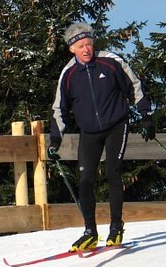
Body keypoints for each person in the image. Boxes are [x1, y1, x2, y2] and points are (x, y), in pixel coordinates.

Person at [48, 22, 155, 252]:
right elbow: (59, 109)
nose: (86, 49)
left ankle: (116, 228)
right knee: (85, 180)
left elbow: (135, 85)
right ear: (72, 49)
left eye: (88, 44)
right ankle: (90, 232)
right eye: (80, 46)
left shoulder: (110, 61)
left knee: (112, 172)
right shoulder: (68, 74)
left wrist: (146, 116)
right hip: (89, 132)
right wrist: (55, 142)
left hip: (117, 125)